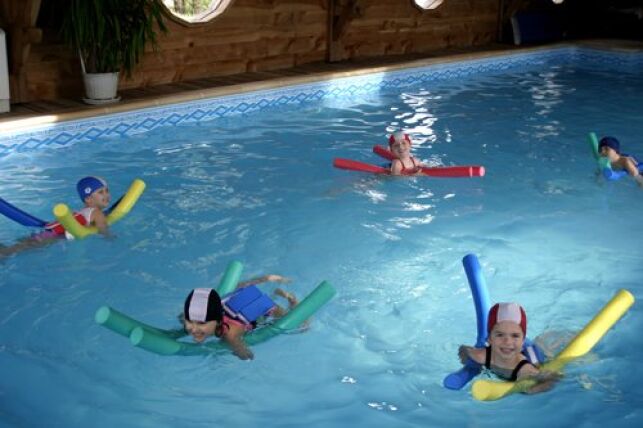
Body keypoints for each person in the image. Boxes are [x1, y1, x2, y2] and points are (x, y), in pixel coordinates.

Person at [182, 274, 300, 360]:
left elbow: (246, 355)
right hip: (242, 298)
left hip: (264, 308)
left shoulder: (229, 334)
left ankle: (291, 298)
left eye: (201, 324)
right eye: (189, 322)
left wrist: (239, 351)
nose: (192, 328)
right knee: (237, 288)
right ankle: (271, 282)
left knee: (299, 325)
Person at [458, 302, 560, 394]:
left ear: (522, 340)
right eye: (500, 335)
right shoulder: (481, 356)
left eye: (515, 335)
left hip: (533, 355)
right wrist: (466, 360)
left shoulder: (525, 369)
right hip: (517, 348)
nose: (507, 342)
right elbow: (464, 349)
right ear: (489, 339)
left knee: (545, 348)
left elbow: (552, 378)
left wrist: (531, 390)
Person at [0, 176, 111, 258]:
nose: (106, 195)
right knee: (17, 250)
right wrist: (110, 237)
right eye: (101, 192)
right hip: (55, 236)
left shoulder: (83, 211)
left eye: (107, 191)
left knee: (21, 246)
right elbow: (103, 229)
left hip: (49, 231)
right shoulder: (97, 213)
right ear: (88, 199)